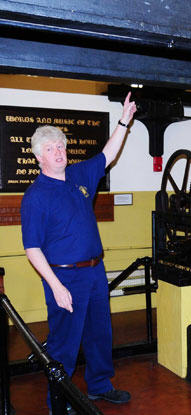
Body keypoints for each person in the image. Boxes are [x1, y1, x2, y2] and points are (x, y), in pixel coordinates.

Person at [20, 92, 137, 412]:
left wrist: (124, 121)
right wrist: (56, 287)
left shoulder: (78, 175)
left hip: (94, 271)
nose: (58, 152)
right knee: (64, 344)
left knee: (100, 335)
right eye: (50, 149)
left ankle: (100, 386)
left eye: (60, 146)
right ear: (38, 158)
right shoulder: (35, 197)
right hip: (64, 276)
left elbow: (108, 154)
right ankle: (61, 400)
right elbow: (32, 249)